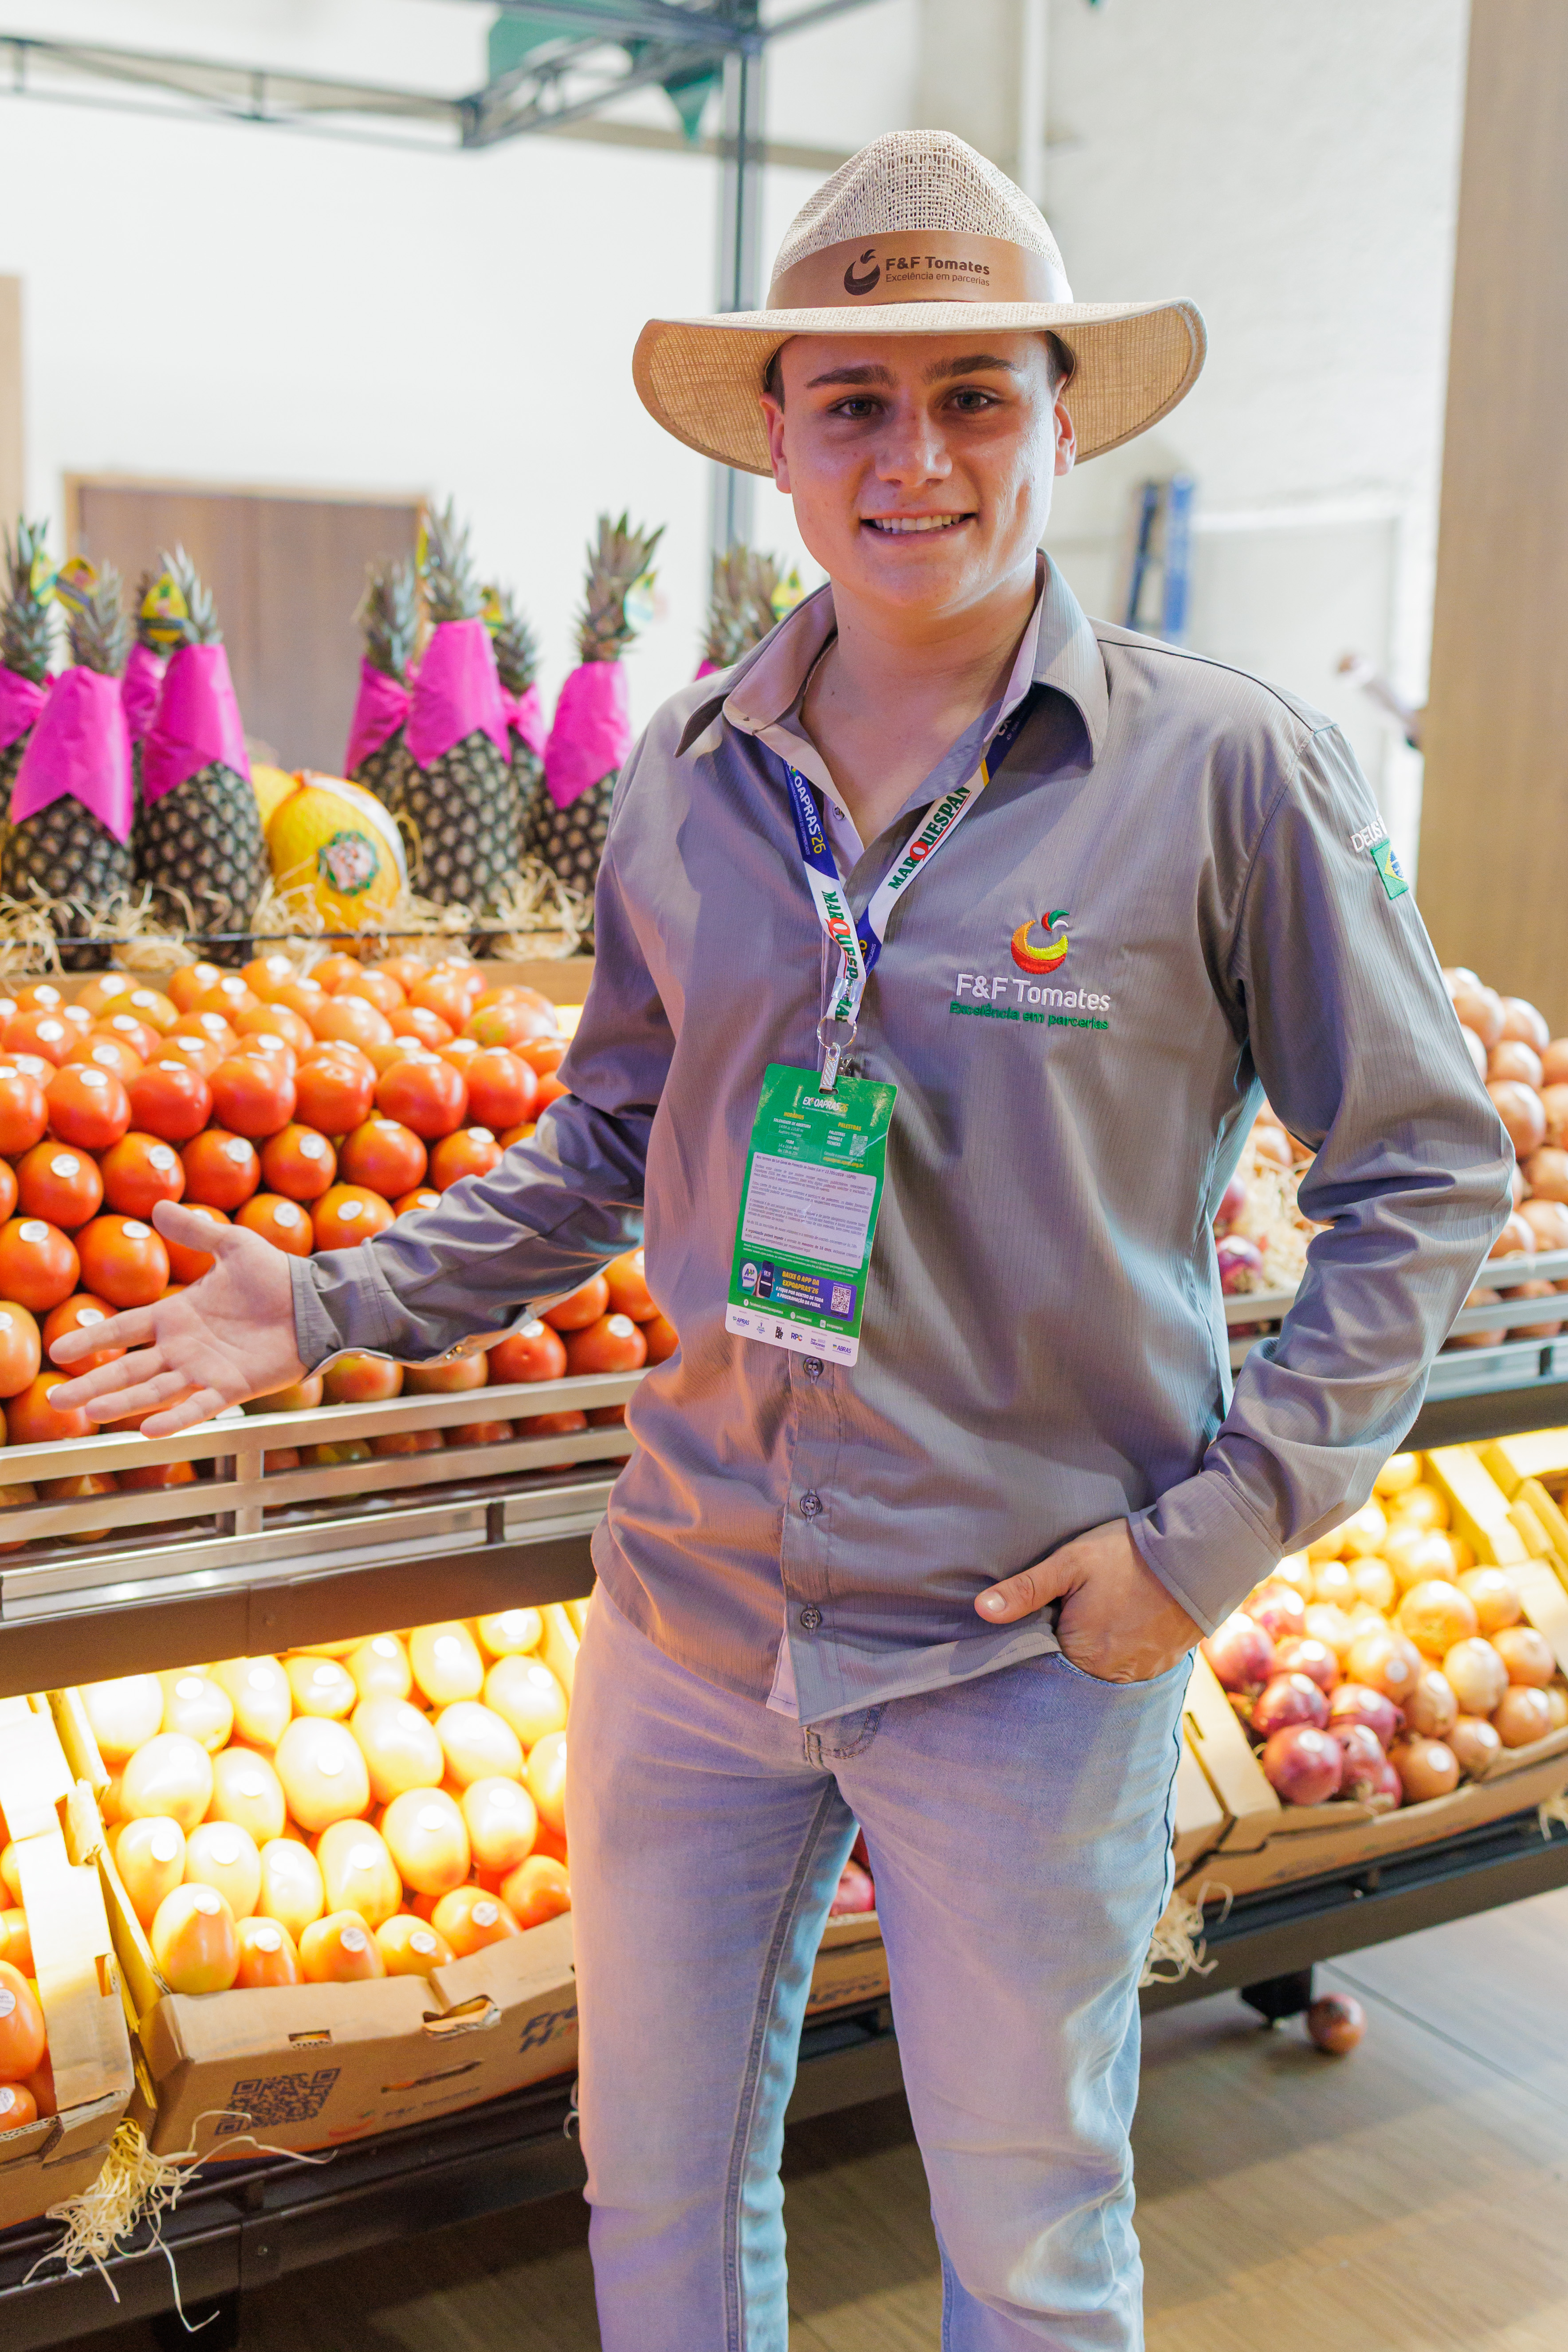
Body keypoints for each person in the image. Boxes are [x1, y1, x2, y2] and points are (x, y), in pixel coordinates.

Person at [54, 131, 1508, 2351]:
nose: (910, 457)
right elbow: (607, 1145)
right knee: (652, 2195)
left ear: (1057, 418)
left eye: (971, 395)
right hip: (691, 1617)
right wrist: (329, 1300)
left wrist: (1213, 1538)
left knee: (1027, 2243)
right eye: (853, 402)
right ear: (776, 441)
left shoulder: (1223, 773)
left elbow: (1424, 1171)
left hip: (1021, 1650)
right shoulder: (688, 771)